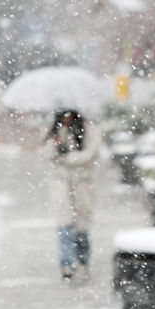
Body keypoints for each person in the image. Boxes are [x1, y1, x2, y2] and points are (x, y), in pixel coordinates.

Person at [42, 109, 101, 280]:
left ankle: (83, 261)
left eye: (70, 115)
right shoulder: (54, 129)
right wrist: (55, 145)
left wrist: (69, 157)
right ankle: (66, 264)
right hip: (61, 181)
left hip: (84, 182)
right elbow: (46, 153)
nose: (67, 119)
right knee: (64, 223)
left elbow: (91, 153)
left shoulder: (88, 129)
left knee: (82, 225)